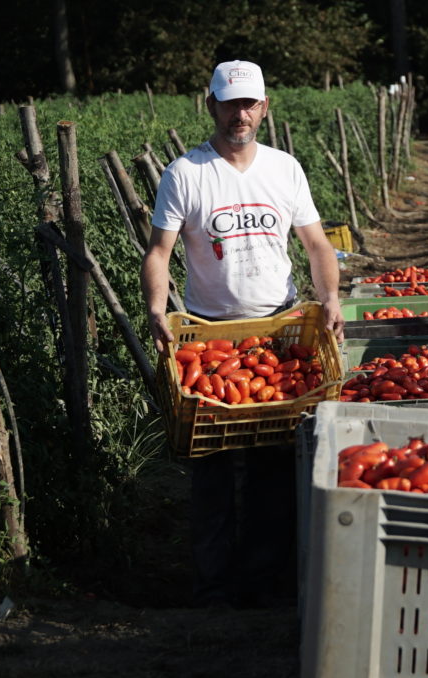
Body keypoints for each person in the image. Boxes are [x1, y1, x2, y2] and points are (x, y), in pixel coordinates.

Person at [140, 59, 344, 608]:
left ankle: (264, 581)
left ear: (264, 108)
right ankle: (213, 588)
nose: (240, 114)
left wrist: (330, 297)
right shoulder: (186, 173)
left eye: (249, 104)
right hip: (208, 339)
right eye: (230, 103)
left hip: (277, 334)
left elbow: (318, 246)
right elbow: (159, 251)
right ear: (211, 105)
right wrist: (158, 307)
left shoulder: (285, 170)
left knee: (272, 462)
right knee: (208, 467)